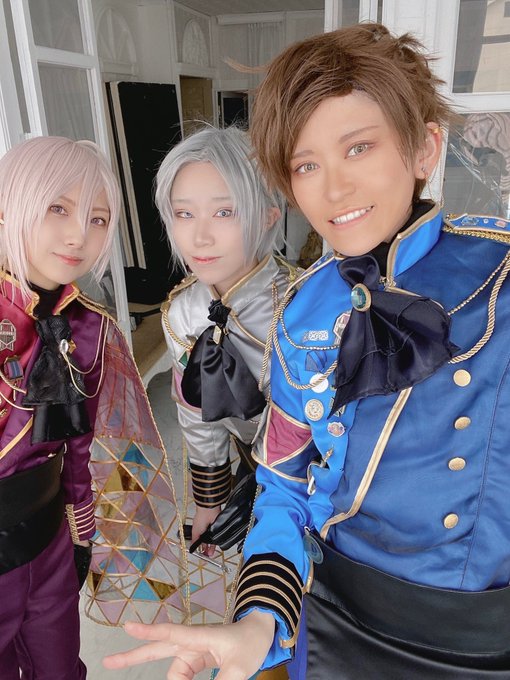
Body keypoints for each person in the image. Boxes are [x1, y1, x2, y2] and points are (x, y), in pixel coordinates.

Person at [103, 22, 510, 680]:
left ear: (424, 148)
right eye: (306, 165)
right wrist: (258, 619)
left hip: (480, 642)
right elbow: (285, 484)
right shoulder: (304, 313)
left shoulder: (500, 284)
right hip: (330, 620)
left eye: (359, 148)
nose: (333, 189)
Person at [0, 135, 120, 678]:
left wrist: (81, 532)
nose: (79, 236)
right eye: (58, 208)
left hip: (48, 542)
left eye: (97, 219)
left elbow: (78, 445)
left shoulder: (86, 325)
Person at [156, 125, 295, 565]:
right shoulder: (182, 313)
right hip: (247, 464)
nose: (200, 237)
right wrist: (209, 500)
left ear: (268, 215)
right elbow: (197, 413)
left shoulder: (303, 306)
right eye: (184, 213)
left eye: (224, 212)